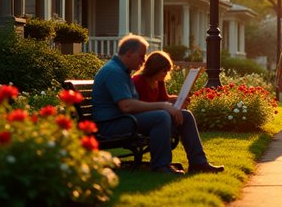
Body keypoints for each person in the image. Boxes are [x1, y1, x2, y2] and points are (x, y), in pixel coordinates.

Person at [92, 35, 224, 175]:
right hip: (111, 124)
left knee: (186, 115)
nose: (144, 61)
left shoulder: (121, 71)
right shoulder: (114, 72)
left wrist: (170, 103)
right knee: (161, 116)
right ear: (129, 53)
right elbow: (126, 106)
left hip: (124, 119)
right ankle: (161, 166)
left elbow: (130, 105)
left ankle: (198, 162)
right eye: (141, 56)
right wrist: (163, 105)